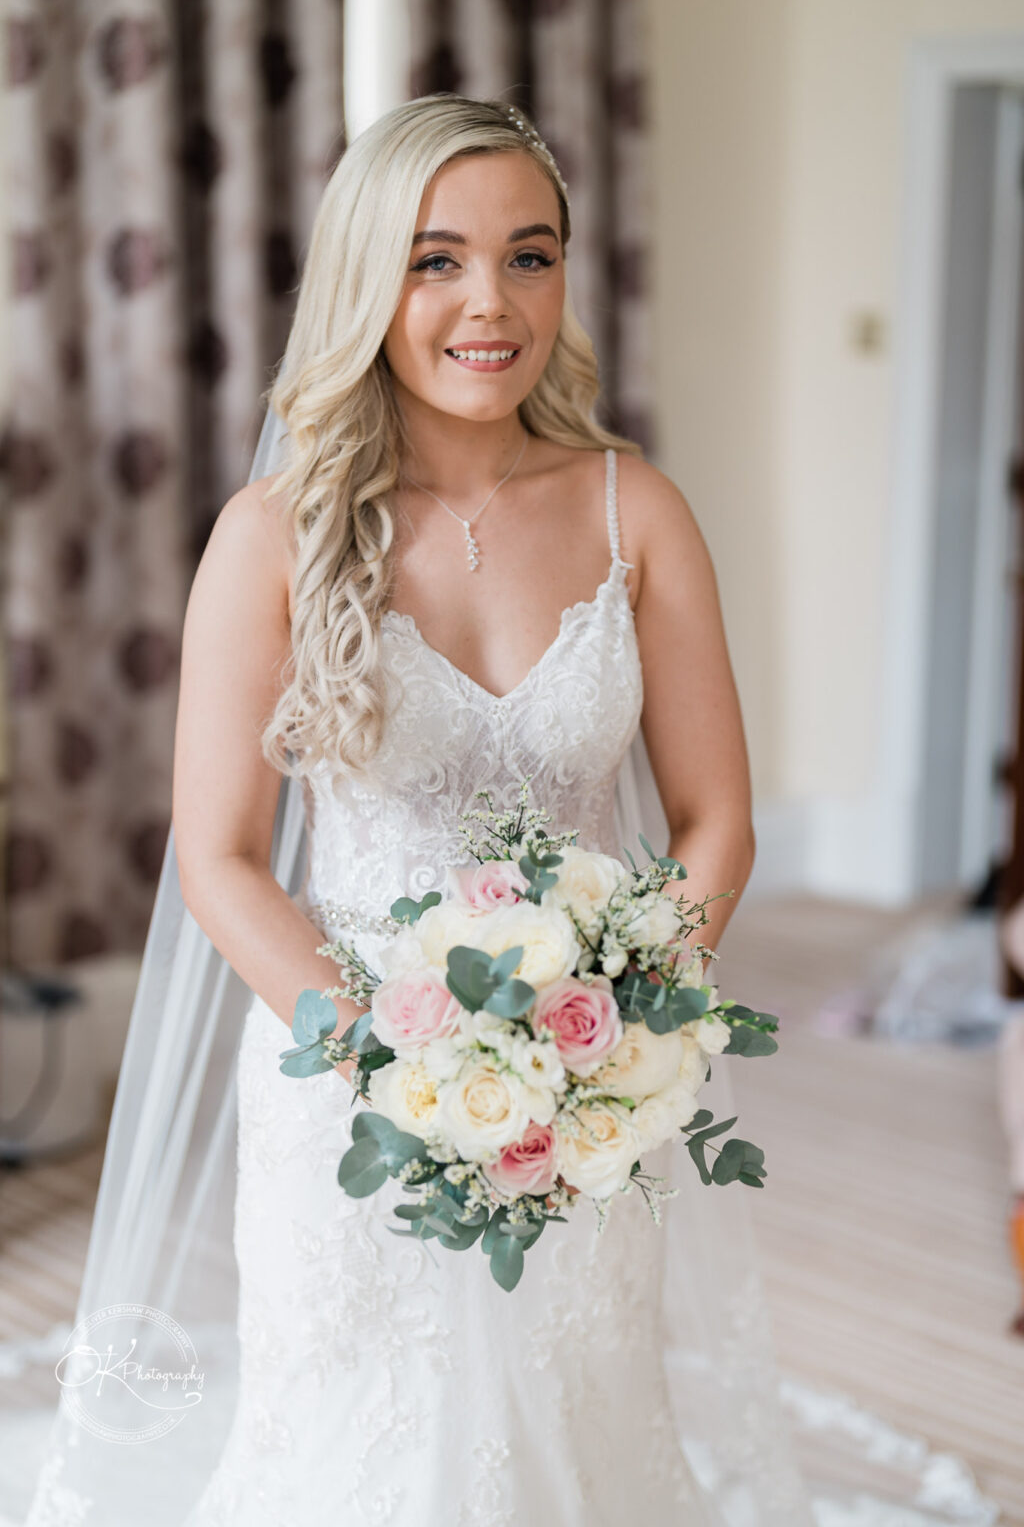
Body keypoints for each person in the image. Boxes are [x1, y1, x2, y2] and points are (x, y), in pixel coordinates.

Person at [7, 94, 997, 1527]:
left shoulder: (631, 509)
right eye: (436, 260)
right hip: (344, 1084)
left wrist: (620, 1033)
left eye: (530, 257)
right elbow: (219, 858)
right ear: (368, 279)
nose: (492, 303)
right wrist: (386, 1066)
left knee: (575, 1418)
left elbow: (718, 820)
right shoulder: (273, 536)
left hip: (589, 1097)